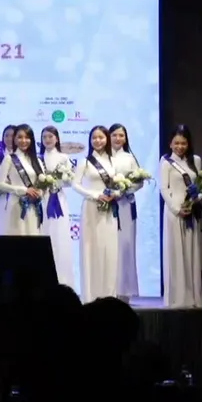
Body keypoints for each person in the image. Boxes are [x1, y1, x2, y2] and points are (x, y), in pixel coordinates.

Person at [72, 126, 121, 302]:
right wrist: (94, 195)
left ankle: (109, 295)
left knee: (109, 250)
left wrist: (115, 194)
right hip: (91, 208)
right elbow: (75, 184)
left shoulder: (114, 162)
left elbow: (121, 185)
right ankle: (90, 296)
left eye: (101, 137)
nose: (98, 141)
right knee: (91, 249)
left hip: (109, 209)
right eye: (94, 138)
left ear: (107, 139)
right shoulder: (84, 162)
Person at [160, 125, 202, 309]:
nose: (180, 146)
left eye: (183, 143)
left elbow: (200, 187)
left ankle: (193, 296)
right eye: (176, 143)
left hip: (191, 210)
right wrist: (177, 208)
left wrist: (196, 199)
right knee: (176, 252)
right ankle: (177, 297)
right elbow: (164, 189)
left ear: (188, 144)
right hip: (174, 212)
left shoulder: (196, 160)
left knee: (191, 252)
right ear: (170, 144)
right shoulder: (166, 162)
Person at [109, 123, 144, 301]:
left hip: (125, 206)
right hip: (107, 206)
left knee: (125, 247)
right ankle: (108, 288)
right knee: (109, 246)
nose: (117, 138)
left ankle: (124, 292)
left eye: (121, 135)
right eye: (114, 135)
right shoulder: (103, 157)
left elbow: (139, 182)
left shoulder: (130, 158)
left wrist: (125, 190)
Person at [40, 125, 75, 290]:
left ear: (57, 139)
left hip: (59, 200)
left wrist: (57, 183)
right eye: (44, 137)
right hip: (42, 200)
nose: (47, 140)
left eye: (50, 136)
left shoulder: (64, 158)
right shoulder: (38, 158)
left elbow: (70, 181)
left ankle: (62, 281)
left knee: (60, 237)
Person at [0, 124, 44, 236]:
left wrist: (39, 192)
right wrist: (24, 190)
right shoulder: (9, 158)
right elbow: (0, 184)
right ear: (15, 139)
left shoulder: (36, 160)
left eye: (27, 137)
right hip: (16, 205)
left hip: (34, 206)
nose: (23, 141)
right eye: (20, 137)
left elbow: (42, 183)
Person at [0, 125, 16, 235]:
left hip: (19, 199)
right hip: (2, 200)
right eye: (6, 135)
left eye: (12, 135)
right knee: (2, 229)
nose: (9, 138)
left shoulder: (24, 157)